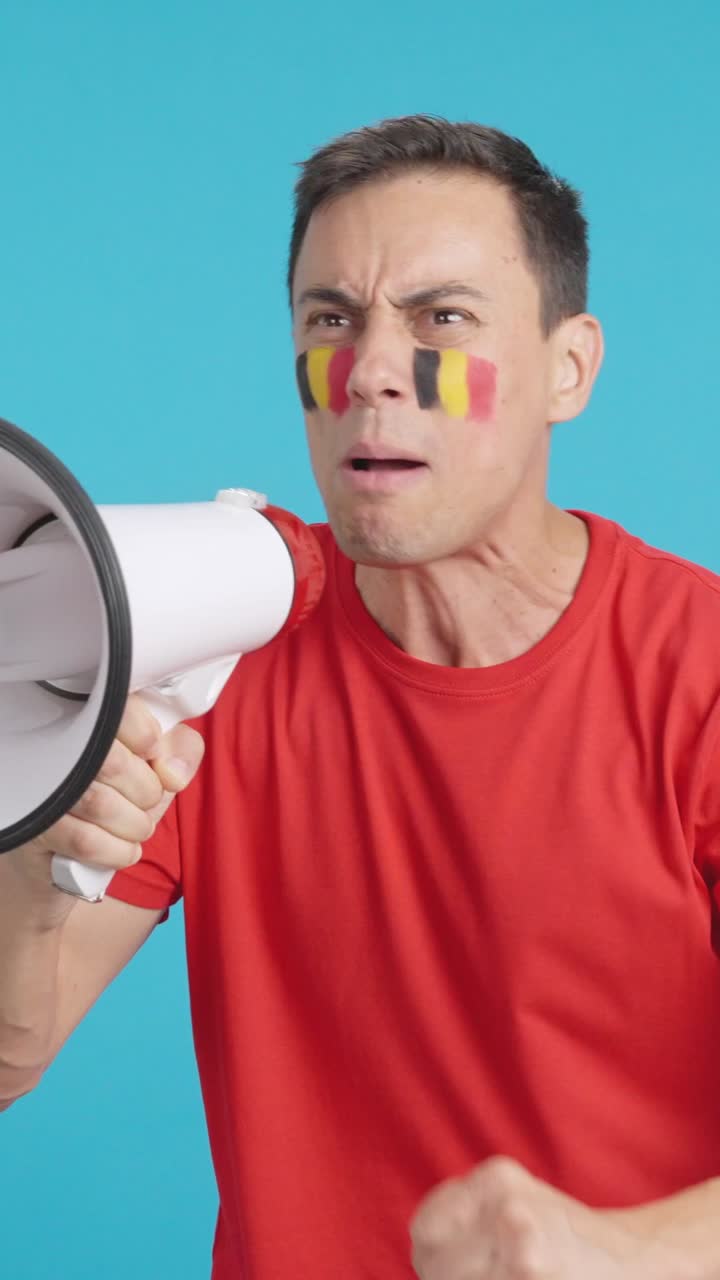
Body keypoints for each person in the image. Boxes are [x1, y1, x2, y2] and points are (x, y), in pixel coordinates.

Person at [2, 114, 720, 1280]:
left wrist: (623, 1249)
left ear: (569, 368)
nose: (372, 368)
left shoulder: (698, 672)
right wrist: (36, 863)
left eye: (442, 318)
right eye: (331, 318)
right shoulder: (222, 644)